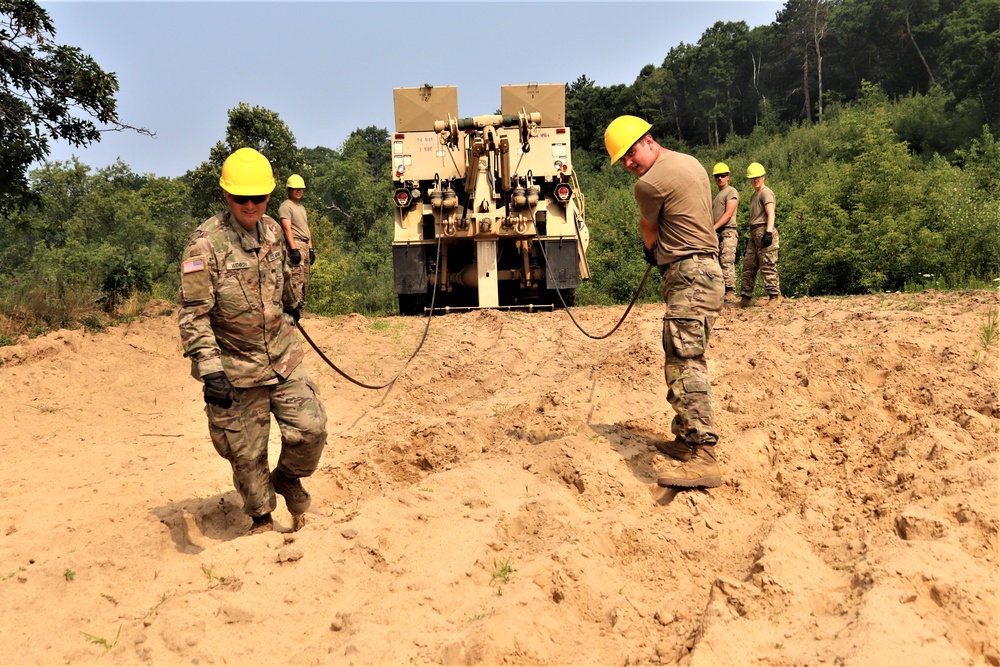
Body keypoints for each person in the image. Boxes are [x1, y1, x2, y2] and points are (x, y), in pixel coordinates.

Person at [177, 148, 328, 535]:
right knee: (246, 455)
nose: (250, 205)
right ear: (226, 196)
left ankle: (288, 478)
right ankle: (261, 520)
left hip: (283, 356)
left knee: (311, 431)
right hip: (235, 368)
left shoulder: (276, 234)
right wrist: (211, 372)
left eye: (258, 198)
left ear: (268, 196)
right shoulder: (204, 246)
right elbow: (193, 315)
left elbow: (286, 288)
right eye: (241, 197)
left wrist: (294, 301)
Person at [604, 116, 725, 488]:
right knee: (688, 355)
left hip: (688, 274)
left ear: (649, 140)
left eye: (631, 152)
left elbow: (649, 228)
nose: (629, 163)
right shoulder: (691, 162)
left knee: (684, 364)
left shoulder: (649, 183)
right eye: (622, 160)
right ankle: (684, 439)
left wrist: (650, 251)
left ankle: (703, 454)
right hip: (708, 271)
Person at [739, 162, 780, 307]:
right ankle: (745, 298)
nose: (756, 180)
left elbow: (771, 213)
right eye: (753, 177)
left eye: (758, 177)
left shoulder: (765, 192)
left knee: (768, 264)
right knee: (749, 265)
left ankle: (774, 297)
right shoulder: (754, 196)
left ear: (763, 177)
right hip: (754, 232)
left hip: (764, 230)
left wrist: (768, 232)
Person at [278, 174, 314, 305]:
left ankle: (300, 307)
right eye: (295, 188)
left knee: (305, 278)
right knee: (295, 278)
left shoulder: (301, 208)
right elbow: (287, 228)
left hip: (304, 244)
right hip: (296, 243)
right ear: (288, 190)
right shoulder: (286, 206)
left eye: (301, 188)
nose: (299, 191)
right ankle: (292, 307)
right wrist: (293, 249)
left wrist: (311, 248)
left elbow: (306, 229)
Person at [711, 162, 740, 303]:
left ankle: (730, 292)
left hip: (728, 231)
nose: (720, 178)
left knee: (726, 261)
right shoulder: (717, 197)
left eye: (723, 175)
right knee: (716, 263)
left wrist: (713, 228)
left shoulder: (731, 192)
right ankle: (721, 292)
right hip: (717, 232)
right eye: (717, 176)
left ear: (728, 176)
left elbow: (728, 214)